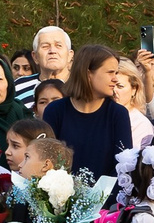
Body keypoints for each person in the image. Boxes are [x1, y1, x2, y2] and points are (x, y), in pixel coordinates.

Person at [43, 45, 136, 181]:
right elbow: (45, 159)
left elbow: (122, 167)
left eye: (116, 73)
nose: (115, 79)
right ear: (88, 74)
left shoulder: (118, 114)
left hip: (106, 198)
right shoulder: (55, 111)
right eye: (110, 72)